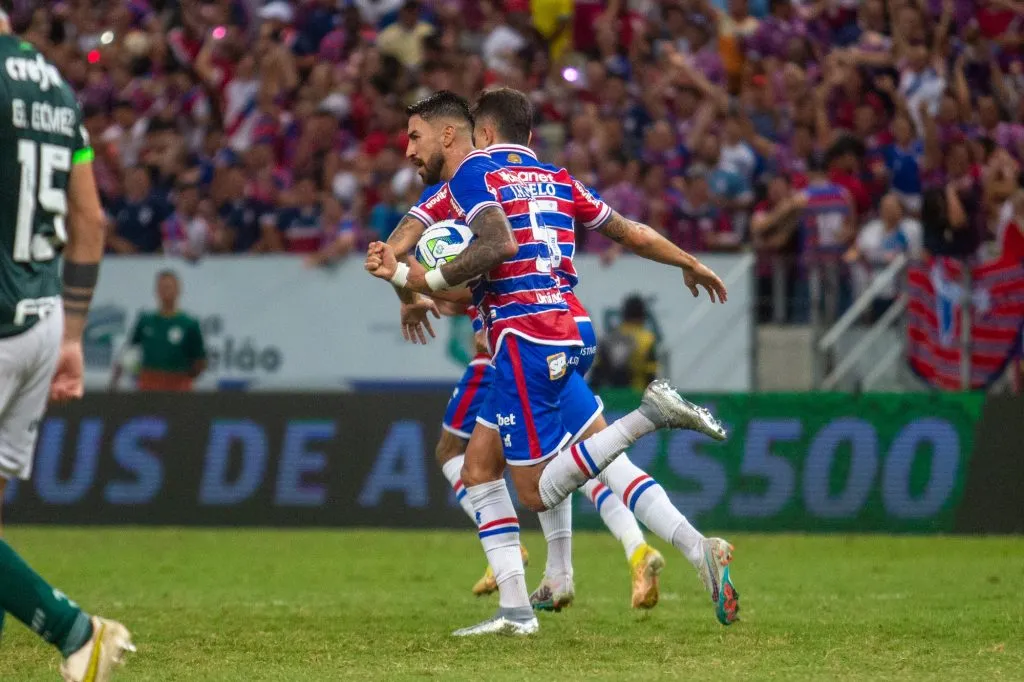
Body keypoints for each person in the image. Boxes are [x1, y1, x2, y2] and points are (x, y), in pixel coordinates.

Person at [366, 91, 730, 636]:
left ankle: (651, 415)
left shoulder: (472, 176)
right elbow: (630, 232)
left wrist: (419, 280)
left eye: (414, 137)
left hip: (524, 340)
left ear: (476, 133)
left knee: (534, 489)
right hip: (569, 329)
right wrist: (690, 261)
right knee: (483, 467)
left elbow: (489, 247)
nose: (409, 150)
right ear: (529, 137)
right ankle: (692, 550)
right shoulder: (557, 179)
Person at [0, 5, 134, 679]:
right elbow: (90, 219)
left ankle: (78, 633)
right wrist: (74, 336)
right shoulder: (55, 89)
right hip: (43, 320)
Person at [110, 270, 207, 391]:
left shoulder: (189, 324)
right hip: (148, 383)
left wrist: (184, 378)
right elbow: (128, 350)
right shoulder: (146, 321)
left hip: (178, 384)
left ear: (178, 290)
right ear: (156, 291)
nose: (165, 291)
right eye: (162, 287)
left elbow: (200, 360)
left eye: (169, 287)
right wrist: (115, 380)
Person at [590, 295, 659, 391]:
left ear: (624, 314)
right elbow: (650, 373)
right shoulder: (648, 339)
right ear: (643, 314)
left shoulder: (611, 337)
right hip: (638, 395)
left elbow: (597, 372)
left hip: (612, 395)